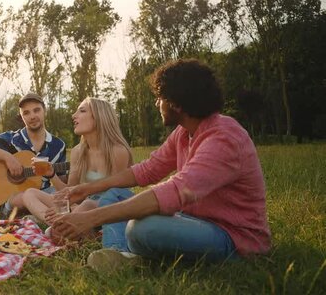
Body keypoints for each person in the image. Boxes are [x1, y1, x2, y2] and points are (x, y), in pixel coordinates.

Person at [52, 59, 271, 270]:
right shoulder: (184, 132)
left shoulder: (224, 138)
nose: (158, 103)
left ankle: (131, 249)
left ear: (175, 104)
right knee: (116, 193)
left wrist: (89, 218)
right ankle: (119, 254)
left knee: (141, 228)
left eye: (160, 98)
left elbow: (175, 190)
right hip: (191, 220)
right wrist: (87, 188)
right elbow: (148, 169)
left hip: (232, 238)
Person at [22, 97, 133, 232]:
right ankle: (59, 224)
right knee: (29, 194)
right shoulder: (77, 152)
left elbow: (116, 196)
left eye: (82, 111)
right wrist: (51, 174)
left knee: (88, 204)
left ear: (99, 117)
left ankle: (60, 226)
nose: (74, 116)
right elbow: (70, 191)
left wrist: (77, 207)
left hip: (106, 208)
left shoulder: (117, 151)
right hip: (80, 205)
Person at [0, 93, 67, 215]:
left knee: (61, 196)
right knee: (27, 194)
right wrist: (8, 157)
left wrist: (52, 174)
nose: (32, 116)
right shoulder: (12, 139)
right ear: (22, 117)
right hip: (14, 198)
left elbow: (62, 188)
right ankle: (51, 217)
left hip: (45, 193)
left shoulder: (58, 146)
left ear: (44, 111)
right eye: (26, 113)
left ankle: (38, 216)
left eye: (36, 110)